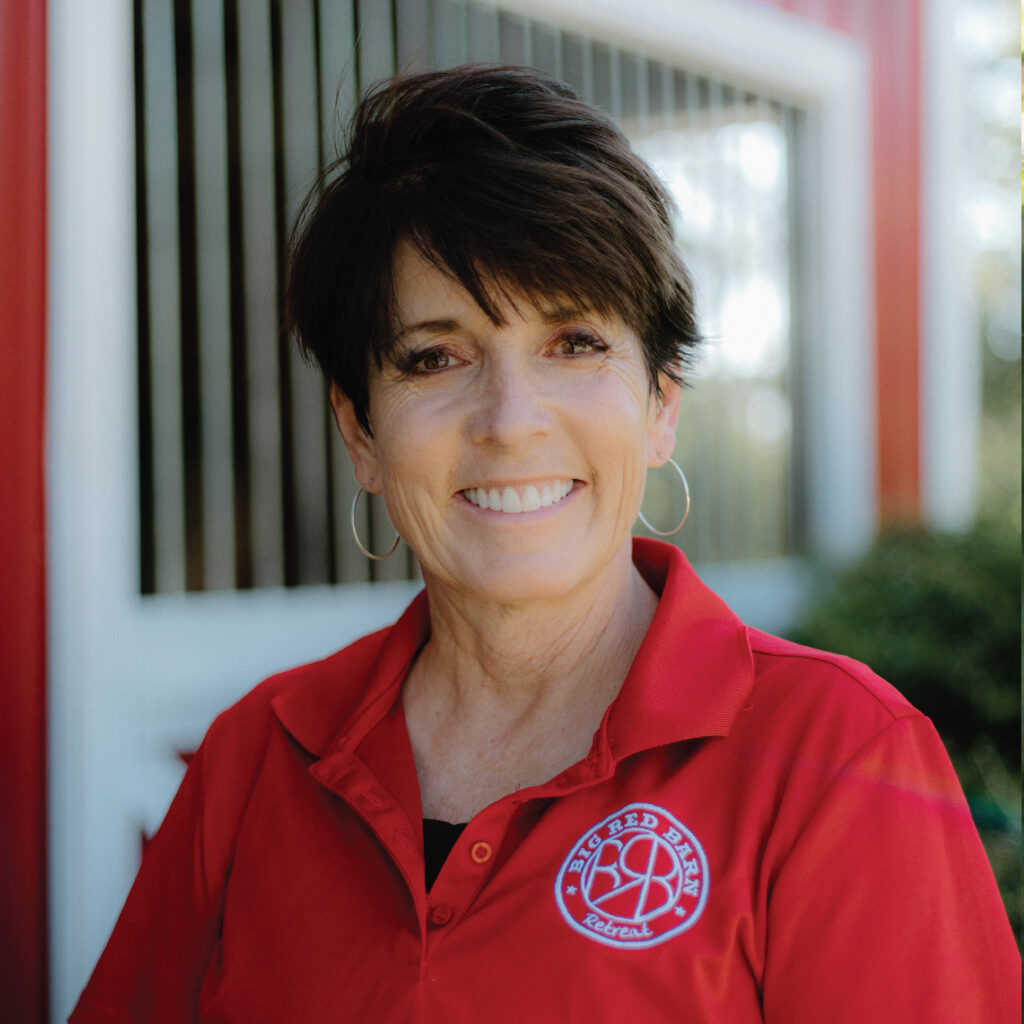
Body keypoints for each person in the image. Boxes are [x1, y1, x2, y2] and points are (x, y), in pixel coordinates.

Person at [70, 65, 1018, 1023]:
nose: (510, 421)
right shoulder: (255, 759)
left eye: (574, 343)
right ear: (360, 432)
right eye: (435, 357)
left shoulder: (840, 756)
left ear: (660, 404)